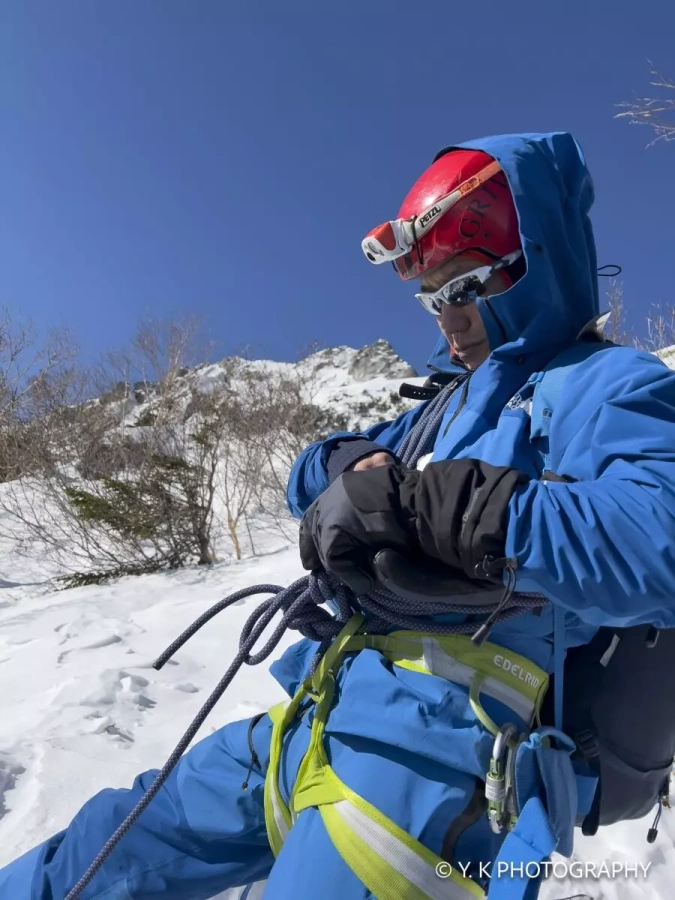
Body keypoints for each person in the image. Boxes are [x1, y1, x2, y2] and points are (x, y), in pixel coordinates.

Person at [3, 131, 675, 900]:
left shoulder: (602, 384)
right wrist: (340, 467)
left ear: (532, 266)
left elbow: (655, 544)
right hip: (315, 717)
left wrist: (433, 506)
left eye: (462, 290)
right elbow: (309, 472)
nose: (445, 320)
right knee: (96, 850)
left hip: (440, 757)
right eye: (431, 298)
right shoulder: (441, 407)